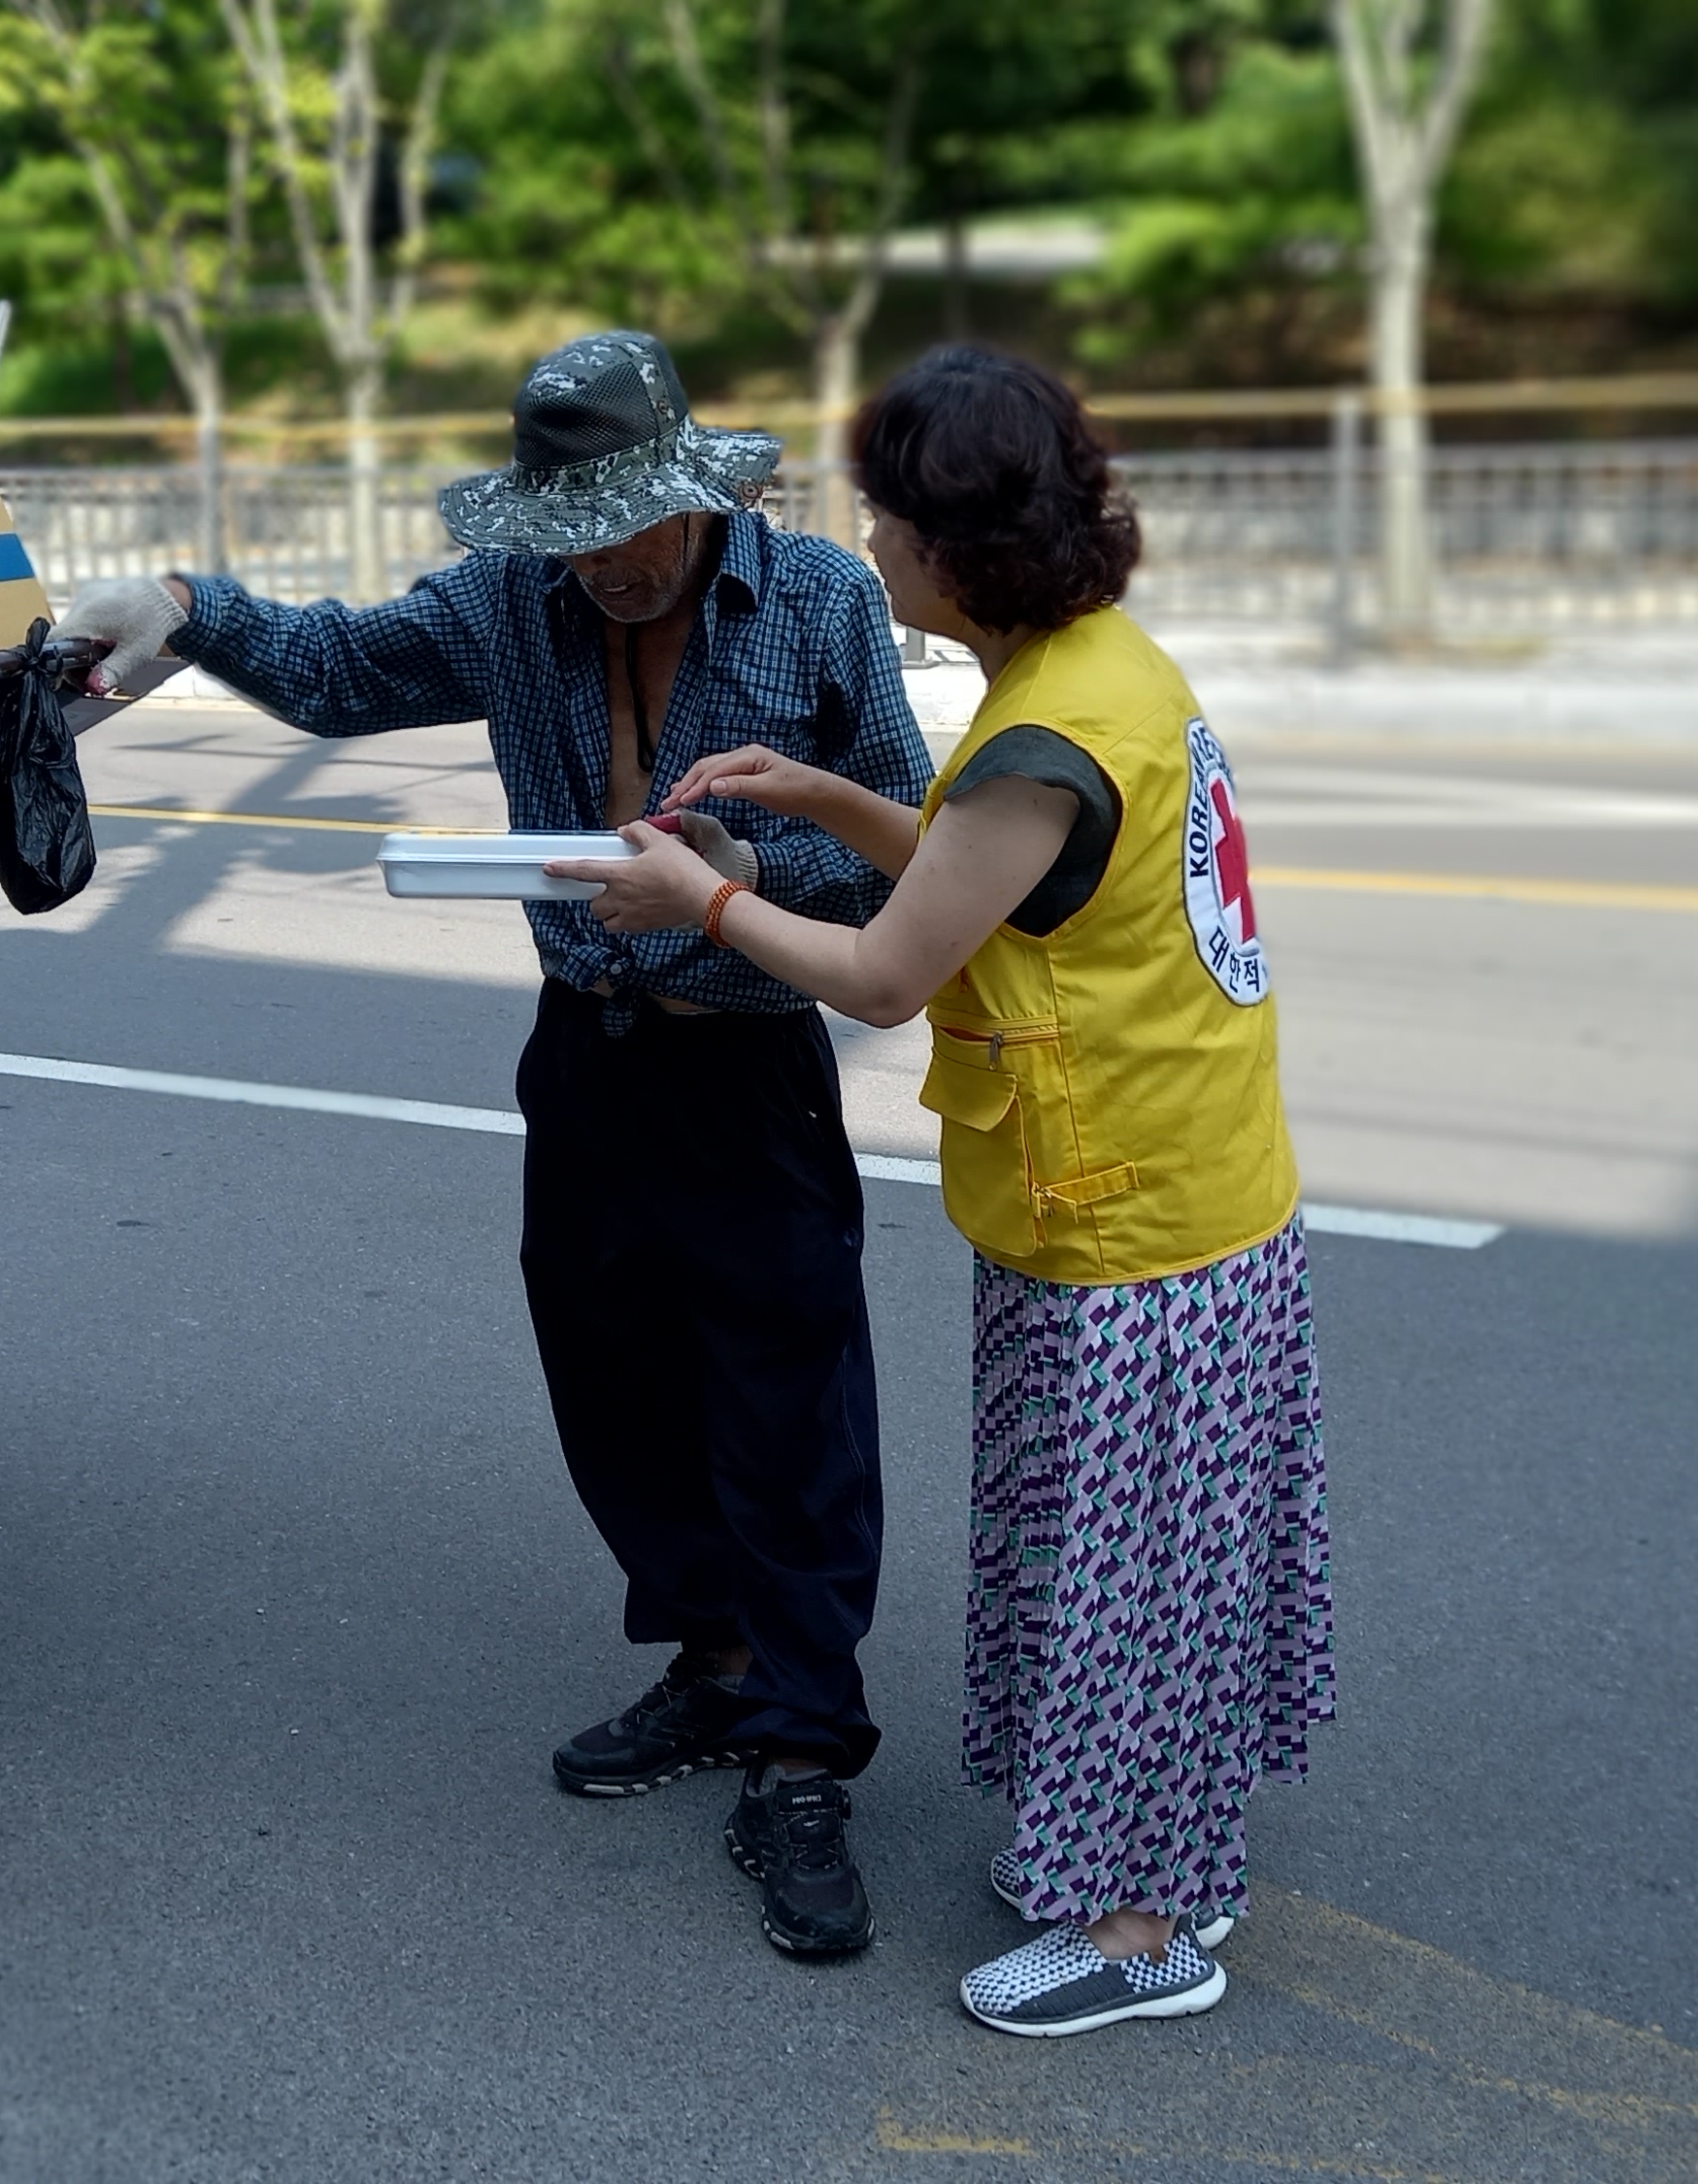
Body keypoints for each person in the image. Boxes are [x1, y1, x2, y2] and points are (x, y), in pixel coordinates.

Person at [49, 332, 933, 1963]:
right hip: (585, 1054)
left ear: (693, 492)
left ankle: (808, 1746)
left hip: (745, 1059)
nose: (606, 563)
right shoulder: (509, 603)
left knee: (788, 1402)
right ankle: (716, 1665)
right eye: (572, 531)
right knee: (614, 1379)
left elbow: (902, 839)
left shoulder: (812, 598)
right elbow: (336, 667)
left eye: (633, 527)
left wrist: (758, 872)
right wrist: (178, 606)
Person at [550, 345, 1334, 2037]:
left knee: (1135, 1590)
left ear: (956, 545)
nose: (872, 540)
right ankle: (1156, 1860)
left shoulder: (1043, 732)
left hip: (1135, 1233)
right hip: (1176, 1198)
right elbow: (1005, 881)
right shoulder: (1089, 671)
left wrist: (701, 901)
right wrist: (829, 790)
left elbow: (894, 973)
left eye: (891, 515)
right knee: (1142, 1571)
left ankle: (1143, 1933)